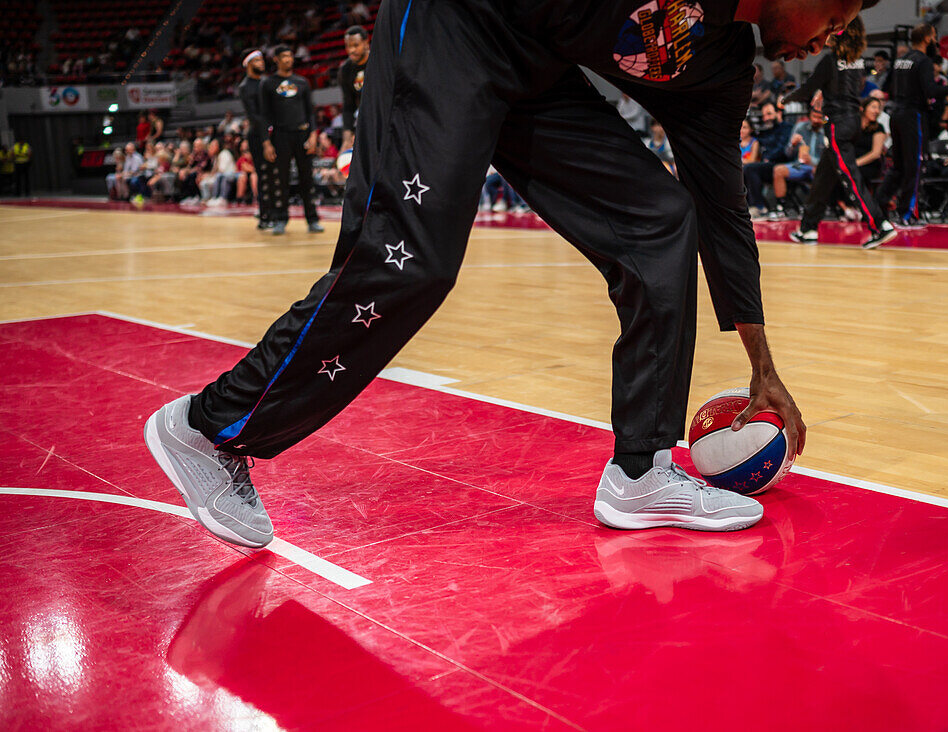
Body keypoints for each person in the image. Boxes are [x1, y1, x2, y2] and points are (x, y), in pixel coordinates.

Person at [143, 0, 871, 548]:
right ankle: (206, 430)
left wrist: (762, 364)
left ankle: (642, 471)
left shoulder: (720, 65)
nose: (830, 39)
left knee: (661, 222)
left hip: (536, 68)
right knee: (412, 262)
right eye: (836, 16)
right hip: (456, 21)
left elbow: (722, 206)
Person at [786, 16, 895, 248]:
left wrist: (784, 100)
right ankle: (808, 228)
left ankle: (879, 224)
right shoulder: (857, 62)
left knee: (850, 178)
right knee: (824, 177)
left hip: (837, 124)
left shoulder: (830, 61)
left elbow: (807, 90)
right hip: (853, 121)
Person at [875, 23, 948, 226]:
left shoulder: (901, 60)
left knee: (898, 166)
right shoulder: (924, 61)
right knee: (915, 166)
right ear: (927, 38)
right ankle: (907, 214)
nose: (935, 40)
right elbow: (930, 90)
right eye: (934, 36)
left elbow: (889, 87)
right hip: (913, 116)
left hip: (896, 113)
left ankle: (879, 204)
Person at [260, 45, 324, 235]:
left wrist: (313, 135)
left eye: (290, 56)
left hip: (303, 134)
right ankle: (280, 218)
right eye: (284, 57)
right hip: (280, 135)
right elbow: (264, 115)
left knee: (307, 178)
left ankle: (312, 219)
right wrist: (266, 141)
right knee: (281, 179)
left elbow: (310, 112)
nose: (288, 59)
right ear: (276, 59)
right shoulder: (268, 84)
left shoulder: (302, 82)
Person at [769, 105, 826, 219]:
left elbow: (828, 159)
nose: (815, 120)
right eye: (813, 116)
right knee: (778, 170)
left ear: (824, 119)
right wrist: (792, 145)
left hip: (819, 167)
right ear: (809, 115)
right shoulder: (800, 127)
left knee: (819, 172)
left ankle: (818, 208)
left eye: (819, 118)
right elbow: (788, 153)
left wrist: (812, 161)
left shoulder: (826, 132)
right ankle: (782, 207)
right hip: (800, 165)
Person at [239, 50, 275, 229]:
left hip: (273, 132)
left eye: (262, 59)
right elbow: (254, 116)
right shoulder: (245, 87)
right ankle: (265, 215)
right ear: (248, 63)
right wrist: (265, 137)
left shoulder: (267, 82)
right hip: (257, 135)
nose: (261, 62)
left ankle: (277, 213)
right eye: (257, 60)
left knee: (276, 174)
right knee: (263, 175)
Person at [743, 101, 793, 217]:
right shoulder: (764, 131)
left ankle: (759, 206)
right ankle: (749, 206)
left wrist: (768, 158)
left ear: (778, 113)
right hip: (765, 166)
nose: (766, 118)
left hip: (781, 164)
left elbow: (783, 149)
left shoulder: (787, 128)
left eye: (769, 114)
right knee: (744, 169)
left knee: (750, 168)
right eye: (764, 115)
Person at [338, 25, 370, 151]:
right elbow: (348, 105)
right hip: (365, 121)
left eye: (355, 45)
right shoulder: (345, 70)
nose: (351, 50)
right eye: (348, 46)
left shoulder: (379, 60)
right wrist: (347, 134)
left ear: (366, 42)